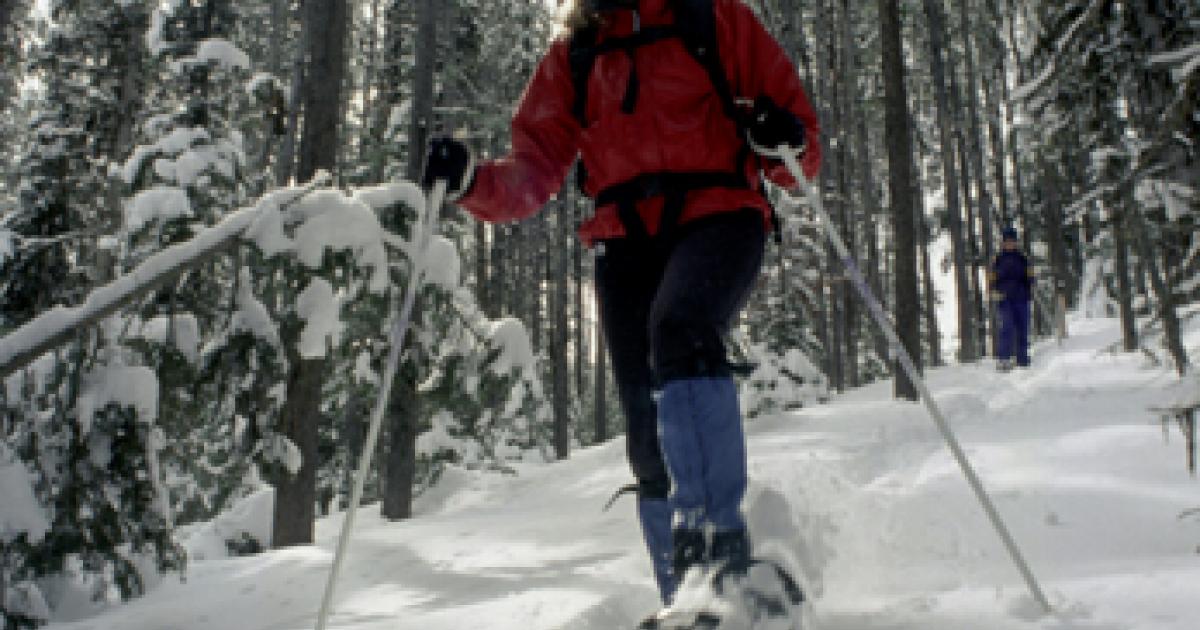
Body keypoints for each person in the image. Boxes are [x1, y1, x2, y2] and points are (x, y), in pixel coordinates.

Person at [421, 0, 821, 608]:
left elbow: (800, 148)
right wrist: (472, 182)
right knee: (644, 422)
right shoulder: (577, 53)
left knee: (680, 329)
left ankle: (719, 555)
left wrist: (779, 135)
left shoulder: (714, 20)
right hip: (626, 237)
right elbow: (533, 169)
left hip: (721, 215)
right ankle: (687, 603)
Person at [990, 227, 1034, 370]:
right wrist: (993, 290)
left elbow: (1030, 276)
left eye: (1012, 241)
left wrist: (1030, 285)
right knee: (1007, 326)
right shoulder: (997, 259)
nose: (1009, 244)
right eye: (1007, 241)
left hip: (1021, 297)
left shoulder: (1023, 258)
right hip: (1005, 298)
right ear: (1002, 243)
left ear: (1016, 242)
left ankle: (1022, 358)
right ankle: (1004, 358)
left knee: (1023, 328)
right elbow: (992, 278)